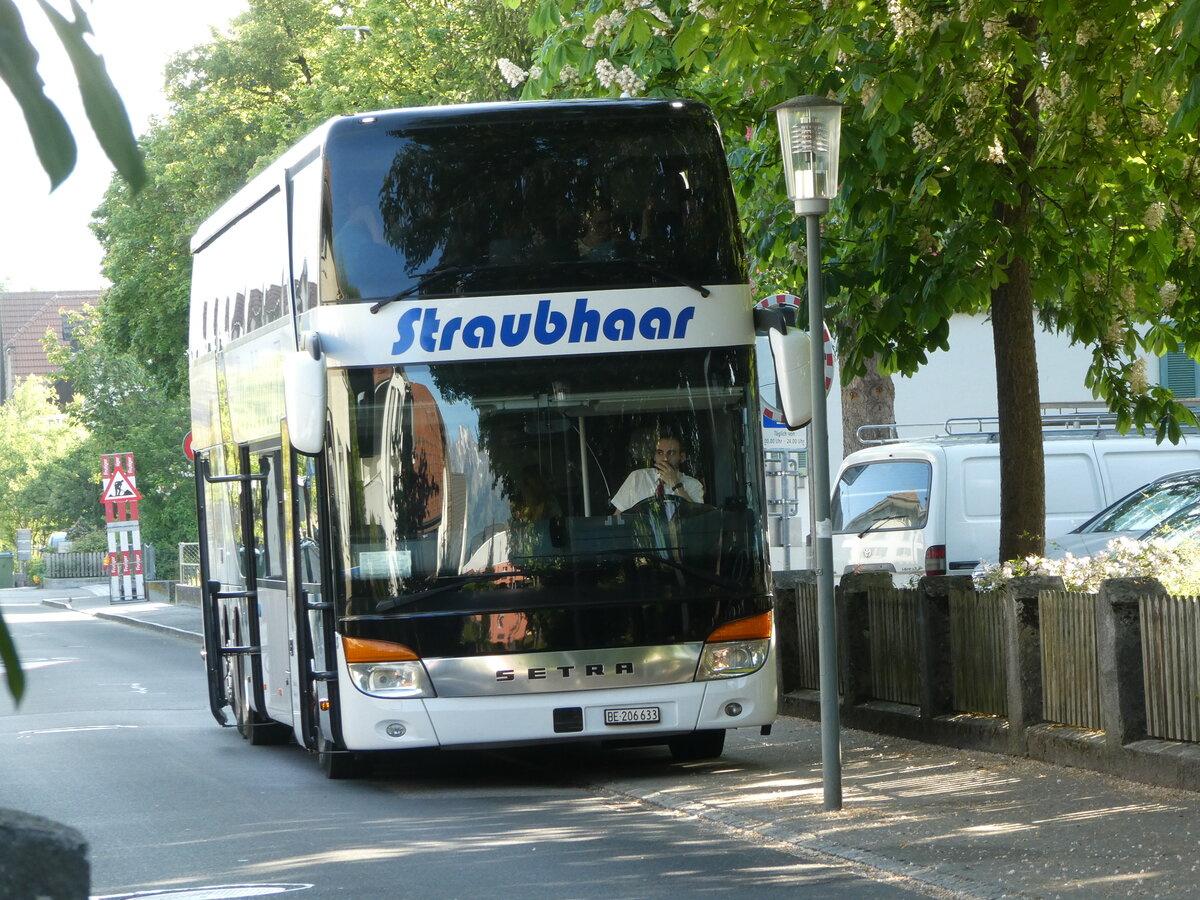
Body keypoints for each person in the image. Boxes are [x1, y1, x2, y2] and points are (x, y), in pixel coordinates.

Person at [610, 435, 704, 513]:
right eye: (660, 453)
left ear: (682, 457)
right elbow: (617, 520)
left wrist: (675, 484)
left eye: (671, 453)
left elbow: (697, 520)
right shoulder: (637, 478)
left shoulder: (694, 485)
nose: (665, 459)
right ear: (654, 457)